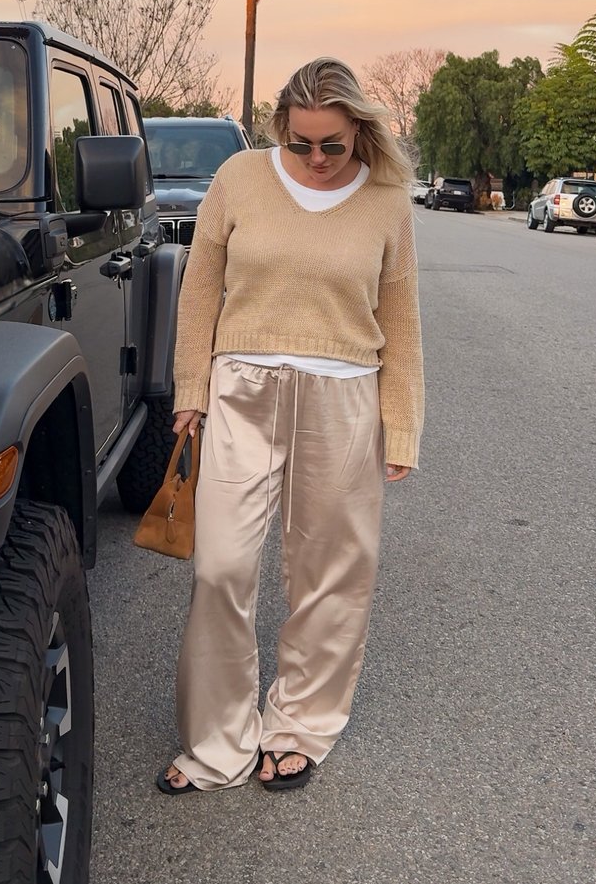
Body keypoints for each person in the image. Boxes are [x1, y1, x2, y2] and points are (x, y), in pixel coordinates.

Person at [157, 57, 424, 795]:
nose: (315, 157)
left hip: (344, 398)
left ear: (359, 132)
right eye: (301, 141)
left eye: (332, 144)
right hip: (241, 390)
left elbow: (400, 322)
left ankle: (300, 725)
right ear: (282, 127)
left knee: (330, 573)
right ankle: (219, 742)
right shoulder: (239, 179)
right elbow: (199, 293)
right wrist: (191, 390)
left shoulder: (387, 197)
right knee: (221, 566)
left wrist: (399, 428)